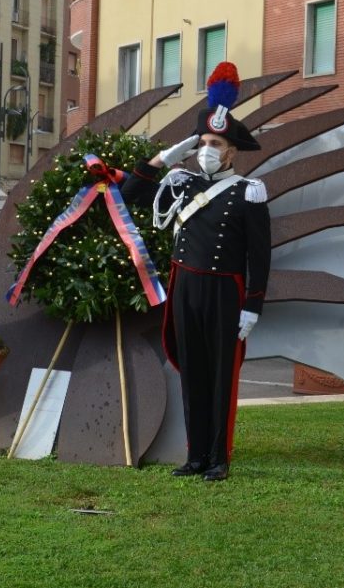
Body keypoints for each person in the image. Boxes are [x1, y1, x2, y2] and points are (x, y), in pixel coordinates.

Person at [120, 62, 270, 482]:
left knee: (221, 376)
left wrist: (252, 307)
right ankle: (196, 454)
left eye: (215, 143)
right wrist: (164, 156)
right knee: (192, 371)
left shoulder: (248, 191)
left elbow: (260, 256)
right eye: (203, 141)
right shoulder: (181, 181)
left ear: (231, 150)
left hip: (225, 291)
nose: (207, 149)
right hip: (184, 285)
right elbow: (130, 194)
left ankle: (219, 457)